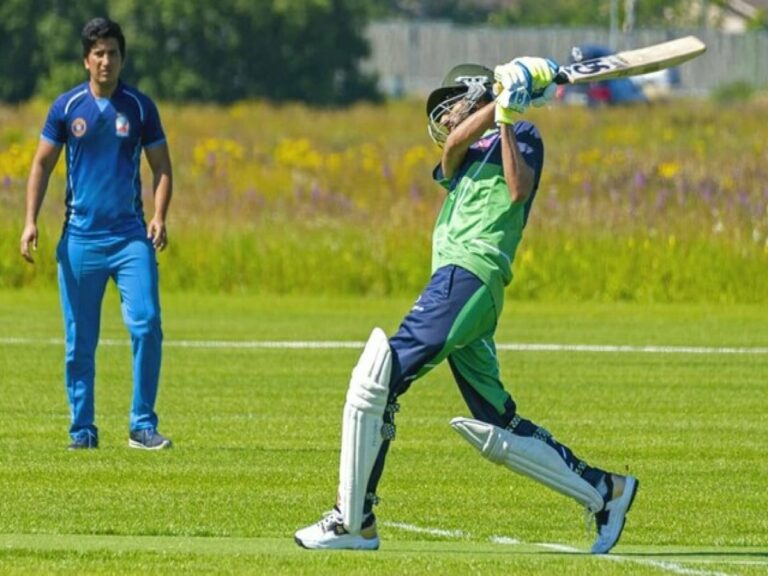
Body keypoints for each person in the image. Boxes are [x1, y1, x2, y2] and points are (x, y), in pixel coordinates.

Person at [294, 58, 638, 553]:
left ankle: (354, 521)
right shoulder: (465, 151)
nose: (446, 117)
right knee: (499, 421)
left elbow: (518, 190)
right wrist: (502, 102)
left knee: (379, 379)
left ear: (475, 93)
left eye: (452, 104)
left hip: (469, 276)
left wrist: (506, 114)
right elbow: (454, 148)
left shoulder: (522, 136)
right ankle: (607, 491)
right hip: (461, 285)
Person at [20, 17, 174, 451]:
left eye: (114, 53)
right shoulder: (67, 108)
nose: (107, 61)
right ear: (86, 60)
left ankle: (142, 426)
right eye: (99, 53)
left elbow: (162, 168)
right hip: (81, 242)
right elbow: (41, 165)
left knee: (147, 325)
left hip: (129, 240)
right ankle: (82, 431)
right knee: (79, 344)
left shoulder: (140, 108)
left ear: (123, 58)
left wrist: (159, 216)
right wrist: (30, 220)